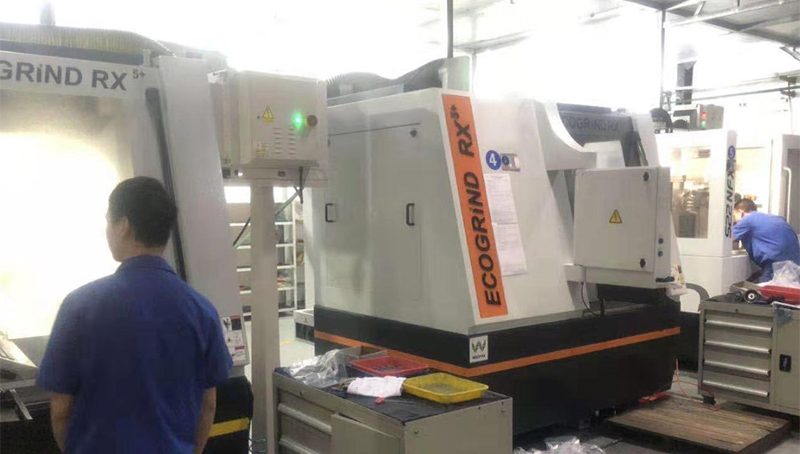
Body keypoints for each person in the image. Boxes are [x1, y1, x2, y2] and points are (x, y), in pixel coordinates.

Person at [37, 177, 232, 454]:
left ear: (123, 225)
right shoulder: (201, 310)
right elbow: (208, 404)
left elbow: (61, 410)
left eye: (108, 222)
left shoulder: (79, 306)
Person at [733, 198, 800, 283]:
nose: (735, 220)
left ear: (740, 211)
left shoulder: (747, 219)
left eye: (734, 216)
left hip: (776, 264)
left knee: (765, 288)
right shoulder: (776, 218)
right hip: (795, 263)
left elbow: (728, 239)